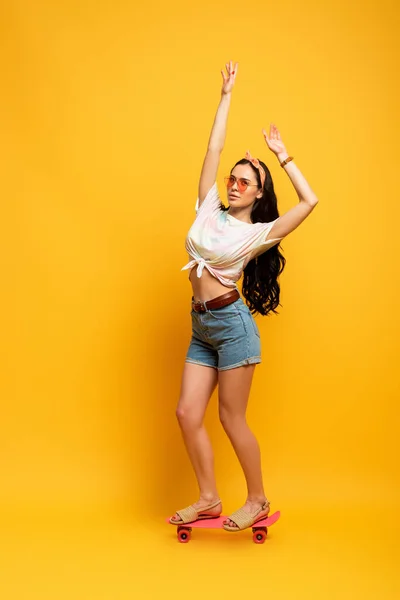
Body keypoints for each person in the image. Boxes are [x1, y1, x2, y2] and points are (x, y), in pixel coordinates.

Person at [170, 61, 319, 532]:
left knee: (231, 419)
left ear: (257, 194)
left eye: (244, 182)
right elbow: (213, 148)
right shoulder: (207, 207)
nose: (233, 184)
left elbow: (310, 203)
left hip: (232, 327)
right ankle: (210, 498)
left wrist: (283, 156)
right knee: (186, 413)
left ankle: (256, 499)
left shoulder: (257, 234)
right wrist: (226, 95)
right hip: (201, 327)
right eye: (232, 178)